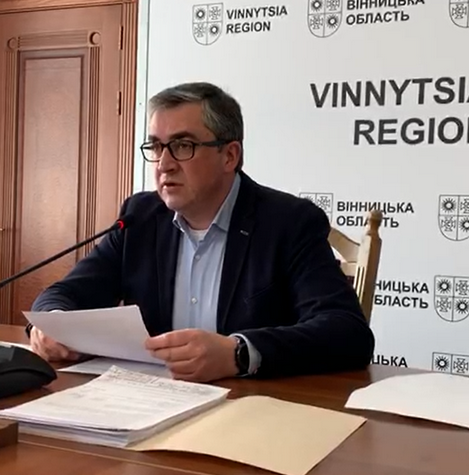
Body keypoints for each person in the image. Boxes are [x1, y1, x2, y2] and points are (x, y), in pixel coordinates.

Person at [28, 81, 375, 382]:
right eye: (156, 147)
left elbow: (347, 332)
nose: (164, 164)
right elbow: (65, 295)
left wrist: (238, 353)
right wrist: (52, 326)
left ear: (229, 156)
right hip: (151, 402)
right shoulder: (141, 217)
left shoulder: (289, 222)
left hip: (251, 407)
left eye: (183, 146)